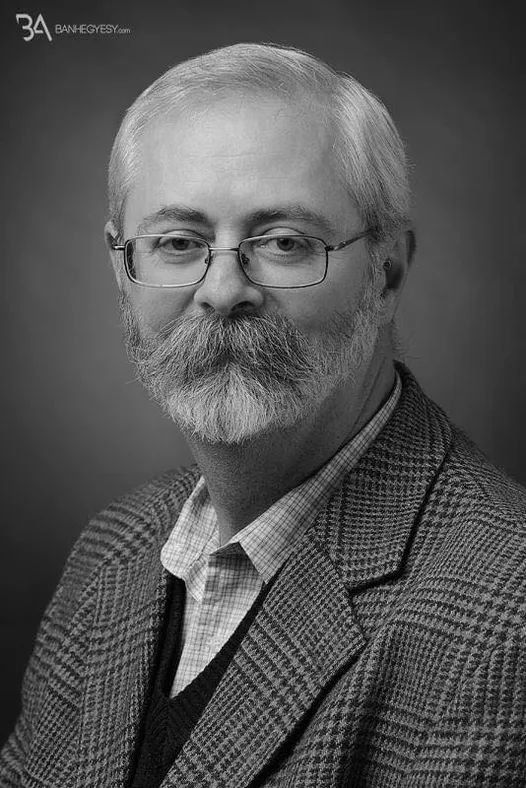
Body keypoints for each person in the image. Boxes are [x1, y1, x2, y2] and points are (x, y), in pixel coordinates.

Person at [1, 42, 524, 788]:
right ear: (122, 269)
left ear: (386, 274)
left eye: (283, 243)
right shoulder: (111, 551)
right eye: (178, 243)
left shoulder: (505, 615)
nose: (222, 291)